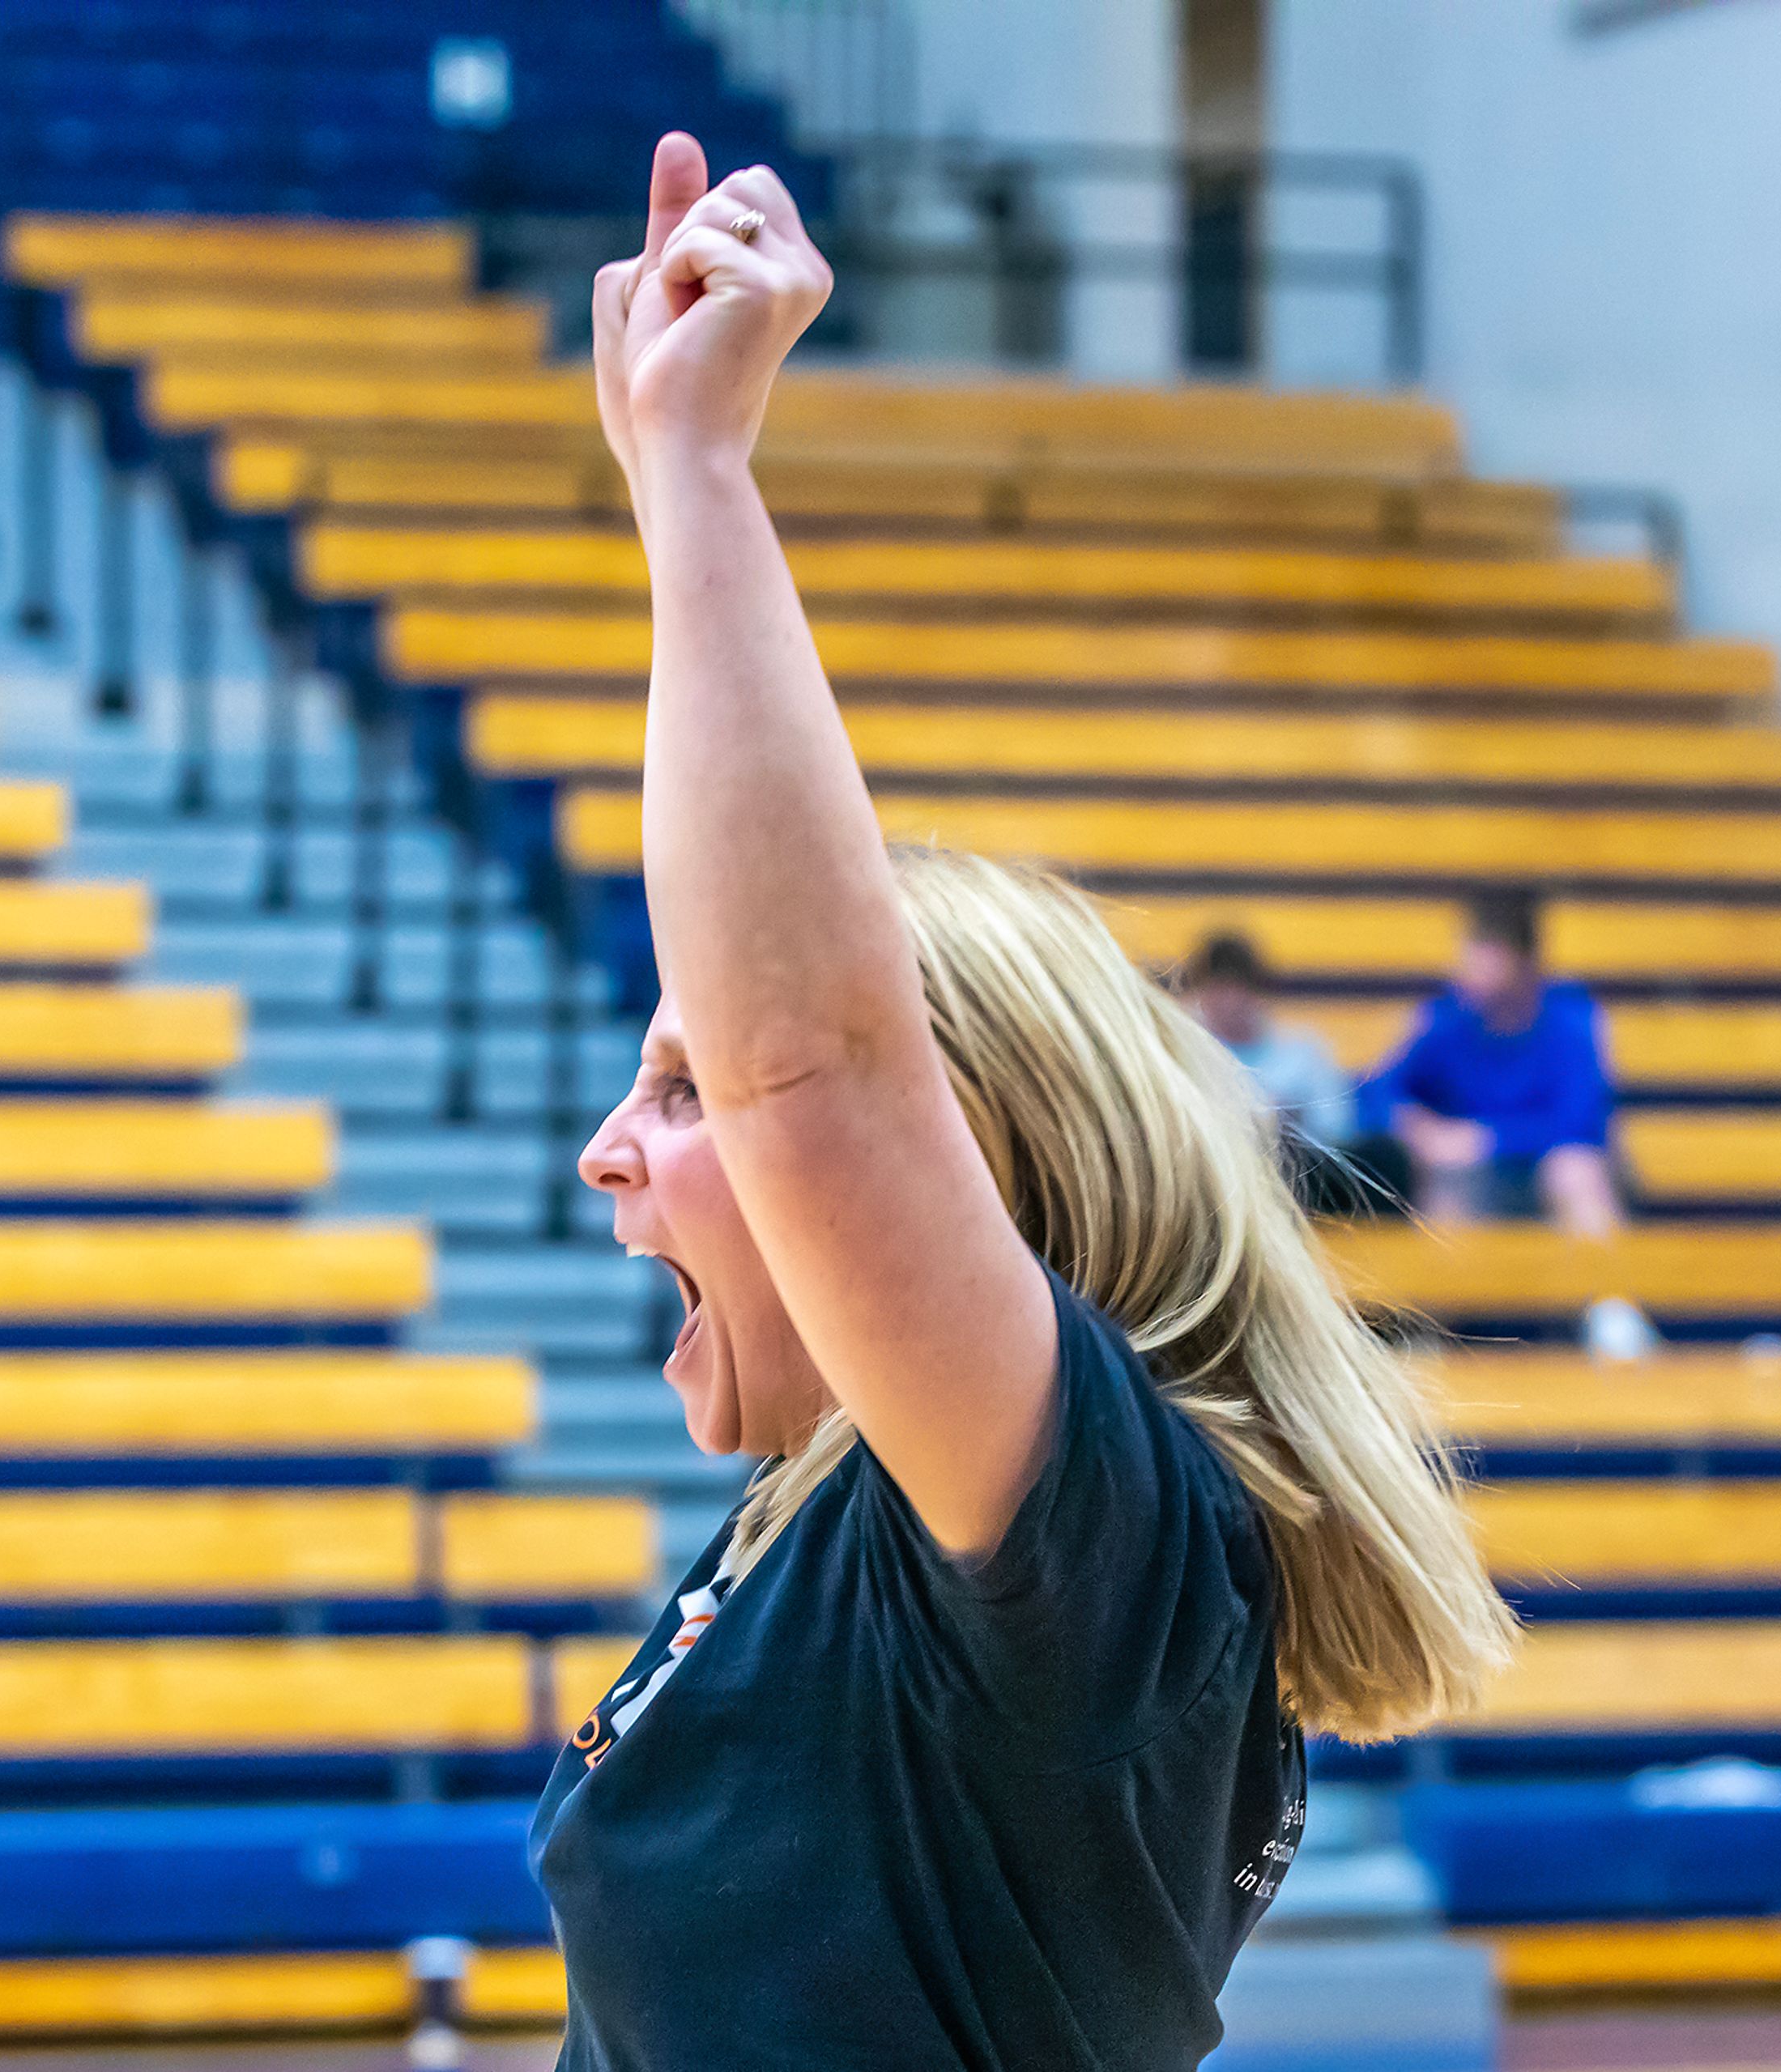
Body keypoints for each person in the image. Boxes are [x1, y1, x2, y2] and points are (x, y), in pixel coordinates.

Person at [537, 133, 1516, 2072]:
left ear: (965, 1158)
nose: (610, 1149)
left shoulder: (1102, 1541)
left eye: (679, 1081)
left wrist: (695, 481)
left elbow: (810, 1067)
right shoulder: (837, 1526)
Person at [1356, 890, 1625, 1240]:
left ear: (1525, 964)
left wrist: (1487, 1139)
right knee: (1448, 1180)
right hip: (1474, 1179)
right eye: (1471, 957)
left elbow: (1580, 1125)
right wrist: (1410, 1124)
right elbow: (1374, 1094)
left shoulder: (1571, 1023)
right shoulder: (1447, 1020)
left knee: (1576, 1171)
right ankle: (1448, 1294)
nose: (1472, 972)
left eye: (1488, 960)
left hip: (1545, 1171)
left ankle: (1607, 1292)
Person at [1178, 929, 1403, 1215]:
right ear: (1199, 994)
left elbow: (1338, 1132)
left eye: (1238, 988)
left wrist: (1291, 1122)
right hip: (1217, 1178)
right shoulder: (1187, 1053)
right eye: (1217, 989)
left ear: (1258, 992)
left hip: (1298, 1179)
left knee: (1385, 1157)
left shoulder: (1303, 1054)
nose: (1230, 1002)